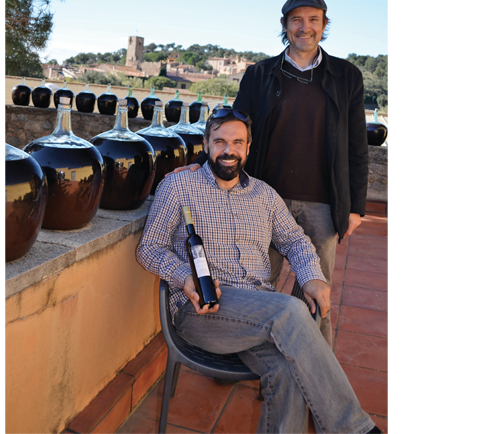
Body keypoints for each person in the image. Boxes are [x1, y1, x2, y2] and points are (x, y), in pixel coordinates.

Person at [137, 111, 379, 434]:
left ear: (248, 148)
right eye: (220, 141)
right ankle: (354, 429)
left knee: (288, 370)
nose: (228, 149)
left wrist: (312, 276)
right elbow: (148, 248)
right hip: (203, 309)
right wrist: (184, 276)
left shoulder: (264, 195)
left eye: (237, 142)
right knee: (291, 311)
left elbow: (295, 240)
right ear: (206, 143)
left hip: (259, 314)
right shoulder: (179, 185)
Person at [179, 0, 369, 347]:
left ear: (324, 26)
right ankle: (240, 354)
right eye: (296, 20)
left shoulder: (347, 76)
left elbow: (356, 145)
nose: (305, 28)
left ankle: (310, 369)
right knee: (252, 285)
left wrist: (356, 205)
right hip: (263, 197)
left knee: (315, 293)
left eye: (314, 20)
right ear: (285, 26)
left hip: (323, 204)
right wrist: (199, 165)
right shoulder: (259, 74)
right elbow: (233, 132)